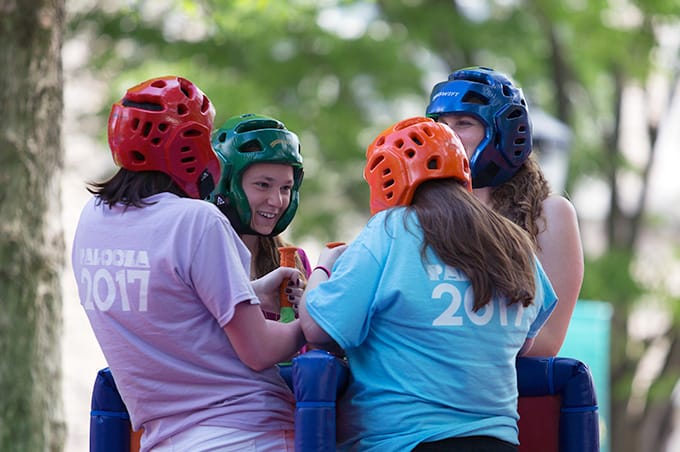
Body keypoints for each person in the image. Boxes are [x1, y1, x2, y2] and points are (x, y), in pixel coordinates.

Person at [71, 76, 305, 451]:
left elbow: (167, 310)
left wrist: (249, 293)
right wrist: (314, 317)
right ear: (190, 146)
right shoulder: (197, 220)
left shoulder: (93, 220)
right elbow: (260, 351)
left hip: (165, 439)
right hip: (251, 434)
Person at [299, 117, 558, 451]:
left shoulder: (391, 229)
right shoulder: (514, 240)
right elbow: (523, 343)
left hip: (404, 442)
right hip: (500, 442)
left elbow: (318, 329)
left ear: (386, 177)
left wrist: (323, 267)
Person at [426, 66, 584, 357]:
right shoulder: (422, 211)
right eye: (442, 125)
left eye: (463, 123)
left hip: (506, 393)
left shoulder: (550, 214)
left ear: (503, 131)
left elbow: (547, 341)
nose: (448, 136)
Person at [209, 113, 310, 320]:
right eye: (263, 185)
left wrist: (309, 315)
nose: (277, 201)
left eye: (286, 188)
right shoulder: (200, 259)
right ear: (224, 183)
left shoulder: (295, 260)